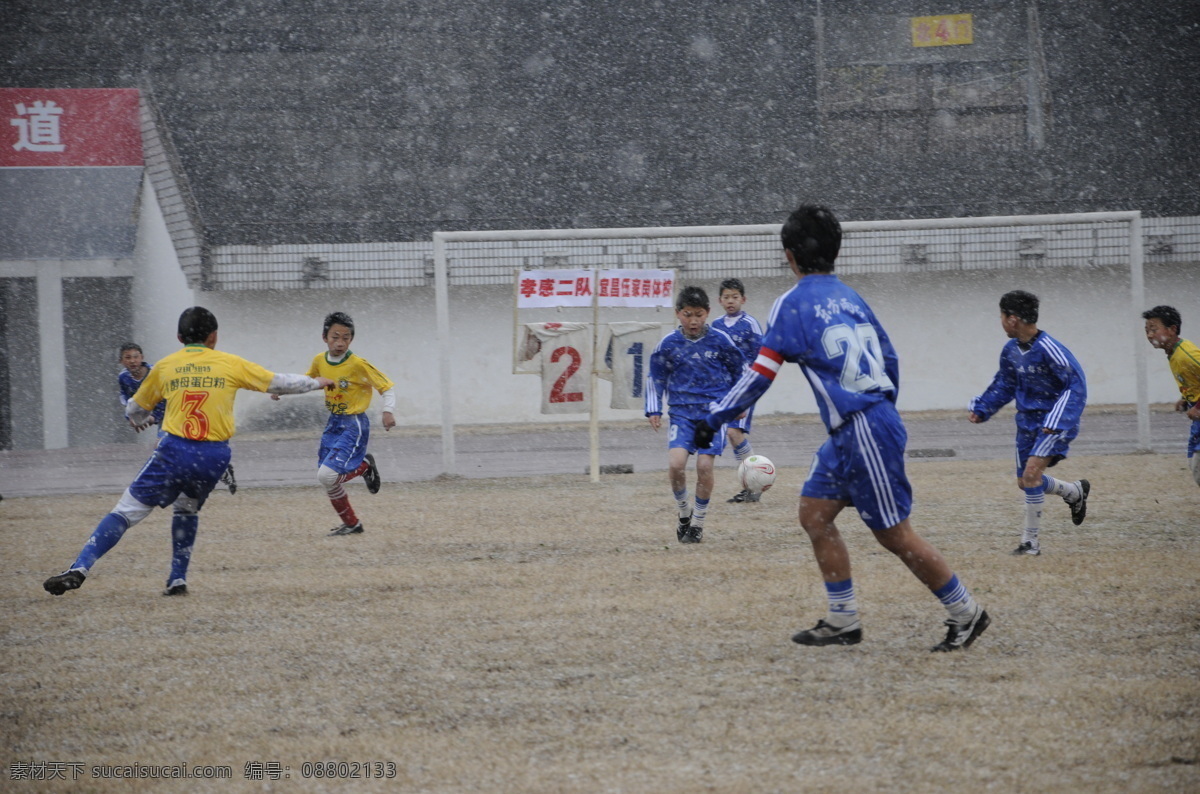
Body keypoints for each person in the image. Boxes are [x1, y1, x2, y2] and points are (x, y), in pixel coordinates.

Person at [696, 204, 989, 652]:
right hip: (858, 426)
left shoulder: (791, 303)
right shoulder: (850, 296)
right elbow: (890, 358)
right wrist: (882, 409)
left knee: (894, 534)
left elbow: (759, 375)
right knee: (814, 514)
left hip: (863, 427)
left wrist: (715, 416)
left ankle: (967, 612)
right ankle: (843, 619)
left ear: (789, 255)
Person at [43, 307, 332, 597]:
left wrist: (140, 418)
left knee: (125, 512)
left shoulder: (166, 367)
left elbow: (135, 409)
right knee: (187, 507)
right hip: (214, 457)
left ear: (180, 337)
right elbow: (277, 382)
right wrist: (318, 382)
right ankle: (177, 578)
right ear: (214, 337)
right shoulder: (229, 363)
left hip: (175, 450)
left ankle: (79, 568)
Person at [968, 290, 1090, 556]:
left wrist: (1058, 418)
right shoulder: (1011, 351)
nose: (1000, 322)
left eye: (1001, 316)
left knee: (1032, 473)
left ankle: (1030, 543)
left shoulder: (1050, 349)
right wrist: (983, 408)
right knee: (1026, 481)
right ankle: (1073, 492)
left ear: (1012, 319)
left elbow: (1076, 385)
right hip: (1026, 423)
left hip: (1053, 422)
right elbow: (1005, 383)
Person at [645, 286, 746, 544]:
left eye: (699, 315)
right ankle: (683, 513)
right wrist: (654, 408)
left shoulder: (721, 340)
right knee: (676, 465)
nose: (693, 321)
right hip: (681, 414)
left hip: (713, 415)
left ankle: (698, 523)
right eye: (688, 314)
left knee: (703, 466)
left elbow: (741, 372)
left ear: (708, 313)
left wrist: (741, 401)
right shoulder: (668, 344)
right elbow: (655, 377)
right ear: (678, 313)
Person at [296, 311, 395, 536]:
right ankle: (352, 524)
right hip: (334, 423)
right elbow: (310, 381)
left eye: (346, 338)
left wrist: (387, 411)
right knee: (327, 479)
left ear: (351, 339)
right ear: (324, 337)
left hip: (354, 424)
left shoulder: (358, 364)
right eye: (335, 337)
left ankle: (365, 466)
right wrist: (281, 391)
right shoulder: (319, 360)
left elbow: (386, 387)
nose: (340, 343)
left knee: (327, 475)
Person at [118, 342, 238, 494]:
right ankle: (213, 472)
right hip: (159, 416)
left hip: (176, 413)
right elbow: (127, 400)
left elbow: (171, 398)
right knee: (184, 449)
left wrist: (153, 417)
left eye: (135, 357)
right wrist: (130, 417)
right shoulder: (123, 377)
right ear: (121, 361)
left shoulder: (156, 372)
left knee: (164, 447)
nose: (132, 361)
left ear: (142, 357)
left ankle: (172, 484)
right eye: (127, 358)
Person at [714, 278, 767, 503]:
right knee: (730, 436)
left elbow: (760, 357)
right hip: (723, 390)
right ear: (720, 300)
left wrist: (753, 386)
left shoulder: (750, 324)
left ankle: (755, 485)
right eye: (726, 297)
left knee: (734, 433)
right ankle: (753, 485)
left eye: (735, 297)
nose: (730, 301)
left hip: (744, 388)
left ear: (743, 299)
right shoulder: (714, 325)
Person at [1142, 305, 1200, 487]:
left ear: (1172, 329)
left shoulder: (1186, 354)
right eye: (1147, 331)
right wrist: (1186, 399)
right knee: (1195, 465)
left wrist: (1198, 407)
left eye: (1154, 329)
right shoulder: (1174, 353)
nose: (1150, 335)